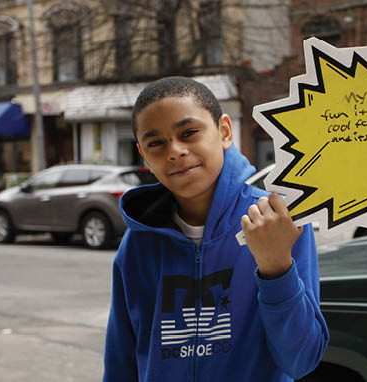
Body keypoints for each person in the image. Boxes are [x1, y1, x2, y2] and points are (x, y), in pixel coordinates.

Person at [103, 76, 329, 381]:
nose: (175, 150)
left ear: (224, 132)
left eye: (189, 132)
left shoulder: (276, 222)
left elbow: (301, 359)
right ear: (144, 155)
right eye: (156, 143)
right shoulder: (138, 243)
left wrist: (276, 268)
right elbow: (121, 362)